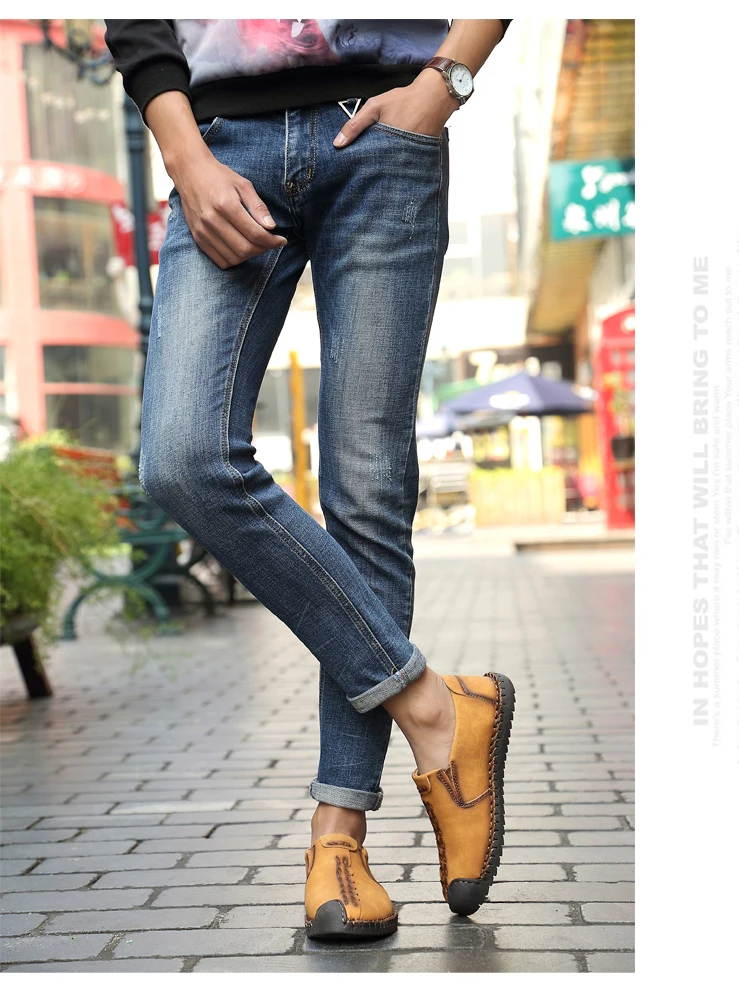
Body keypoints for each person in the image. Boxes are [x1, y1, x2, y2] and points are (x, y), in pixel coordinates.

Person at [104, 17, 515, 940]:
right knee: (184, 455)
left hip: (387, 128)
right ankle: (436, 708)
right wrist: (183, 155)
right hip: (219, 143)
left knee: (367, 486)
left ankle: (340, 840)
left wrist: (446, 82)